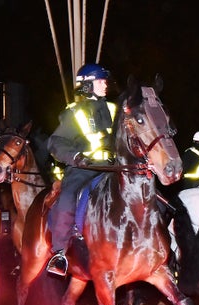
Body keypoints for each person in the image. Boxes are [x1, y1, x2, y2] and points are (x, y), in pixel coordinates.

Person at [45, 63, 117, 277]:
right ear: (87, 85)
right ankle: (59, 253)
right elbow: (56, 142)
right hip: (84, 168)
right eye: (101, 81)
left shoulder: (115, 110)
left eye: (105, 81)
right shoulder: (74, 113)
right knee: (67, 197)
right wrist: (76, 157)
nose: (105, 85)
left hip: (114, 167)